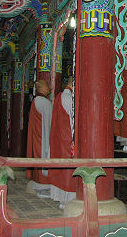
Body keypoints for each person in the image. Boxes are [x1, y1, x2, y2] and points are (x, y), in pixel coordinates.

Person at [49, 76, 76, 209]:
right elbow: (73, 119)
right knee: (67, 169)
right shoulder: (68, 97)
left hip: (60, 137)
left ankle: (63, 199)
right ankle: (67, 200)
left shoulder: (60, 96)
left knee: (63, 168)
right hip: (67, 138)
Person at [26, 80, 53, 198]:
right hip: (43, 136)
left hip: (37, 136)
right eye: (47, 86)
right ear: (41, 88)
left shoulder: (36, 100)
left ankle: (39, 184)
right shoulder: (44, 102)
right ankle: (44, 186)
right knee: (43, 158)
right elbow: (50, 123)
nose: (49, 88)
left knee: (37, 157)